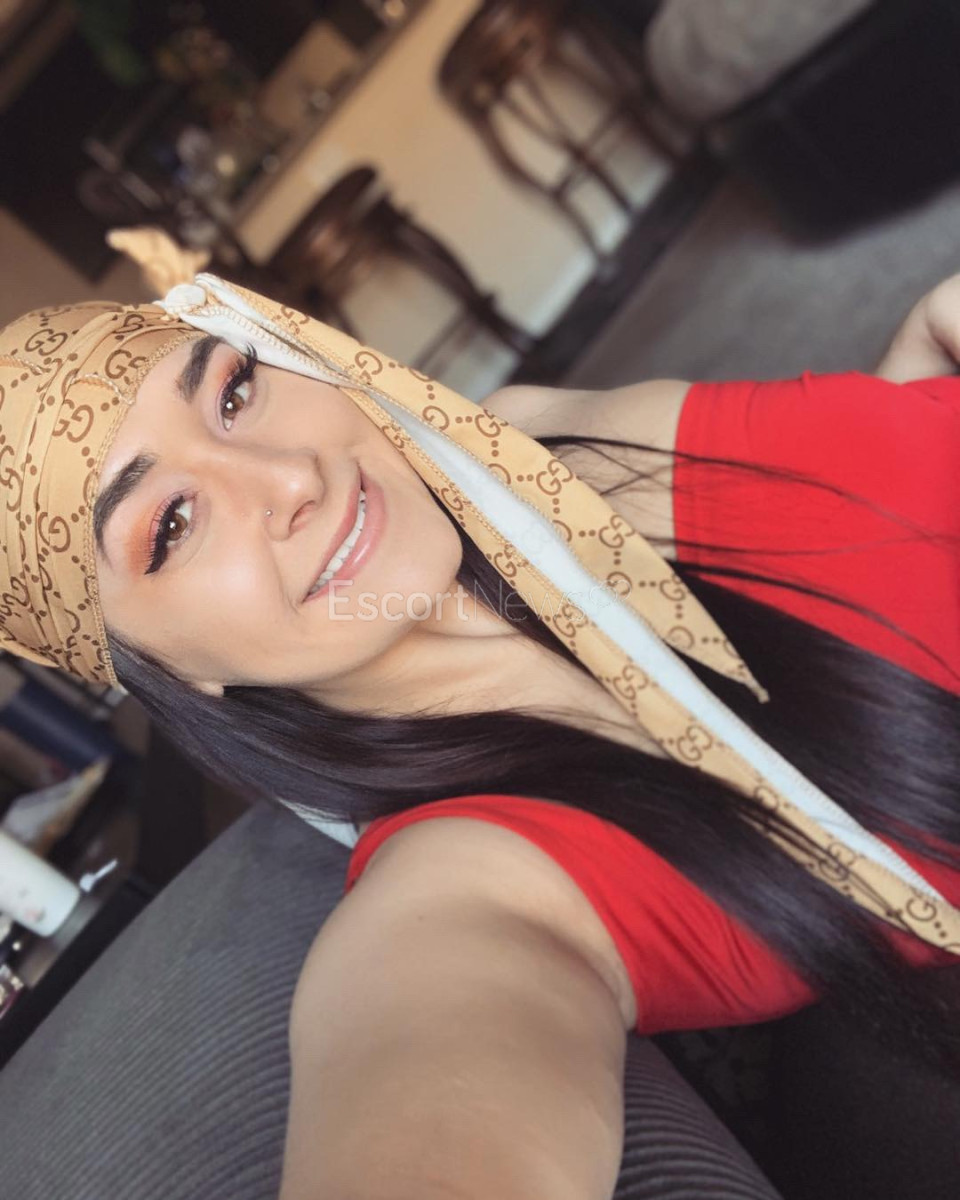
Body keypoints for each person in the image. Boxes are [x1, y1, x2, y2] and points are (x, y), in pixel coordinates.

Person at [2, 266, 960, 1200]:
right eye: (171, 525)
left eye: (234, 390)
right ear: (173, 675)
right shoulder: (461, 900)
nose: (290, 477)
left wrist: (908, 384)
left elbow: (834, 552)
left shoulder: (533, 438)